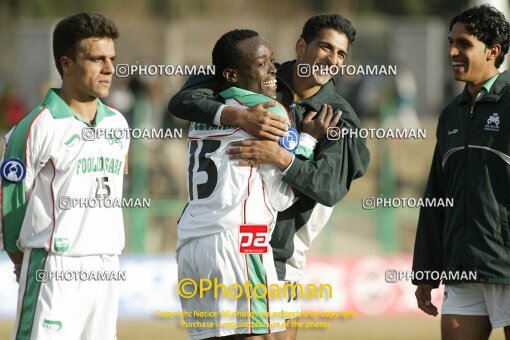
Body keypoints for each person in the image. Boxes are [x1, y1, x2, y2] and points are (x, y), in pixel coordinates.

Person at [169, 14, 370, 340]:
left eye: (341, 55)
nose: (332, 60)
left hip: (281, 252)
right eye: (325, 48)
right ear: (302, 46)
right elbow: (181, 99)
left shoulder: (339, 116)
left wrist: (282, 157)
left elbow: (329, 187)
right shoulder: (256, 74)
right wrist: (241, 117)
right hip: (246, 237)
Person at [0, 13, 129, 339]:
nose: (109, 68)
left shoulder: (118, 124)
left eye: (112, 59)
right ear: (67, 64)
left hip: (105, 267)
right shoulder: (35, 127)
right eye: (97, 59)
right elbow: (10, 204)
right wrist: (22, 261)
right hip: (54, 267)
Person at [412, 5, 510, 340]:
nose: (452, 51)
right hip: (462, 266)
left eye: (463, 43)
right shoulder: (450, 114)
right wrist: (426, 270)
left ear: (492, 51)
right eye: (450, 42)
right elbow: (435, 194)